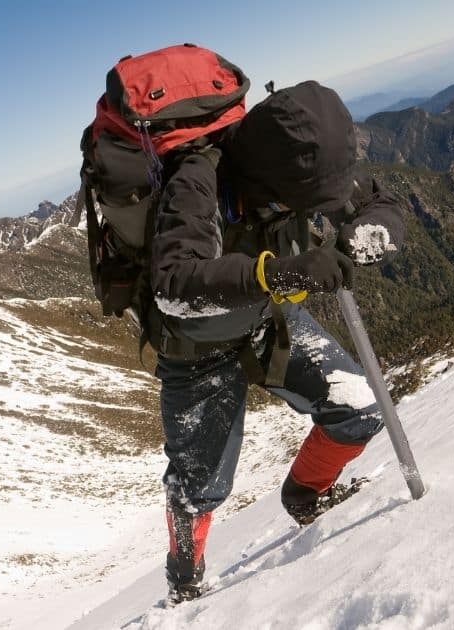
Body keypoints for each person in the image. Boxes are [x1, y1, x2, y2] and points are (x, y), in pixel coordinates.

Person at [144, 80, 407, 604]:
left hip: (265, 323)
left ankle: (305, 497)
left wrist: (366, 234)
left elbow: (380, 203)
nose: (315, 207)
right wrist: (278, 274)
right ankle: (185, 584)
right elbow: (172, 287)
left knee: (359, 408)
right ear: (270, 175)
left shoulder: (304, 169)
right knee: (199, 488)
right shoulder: (198, 183)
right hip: (197, 354)